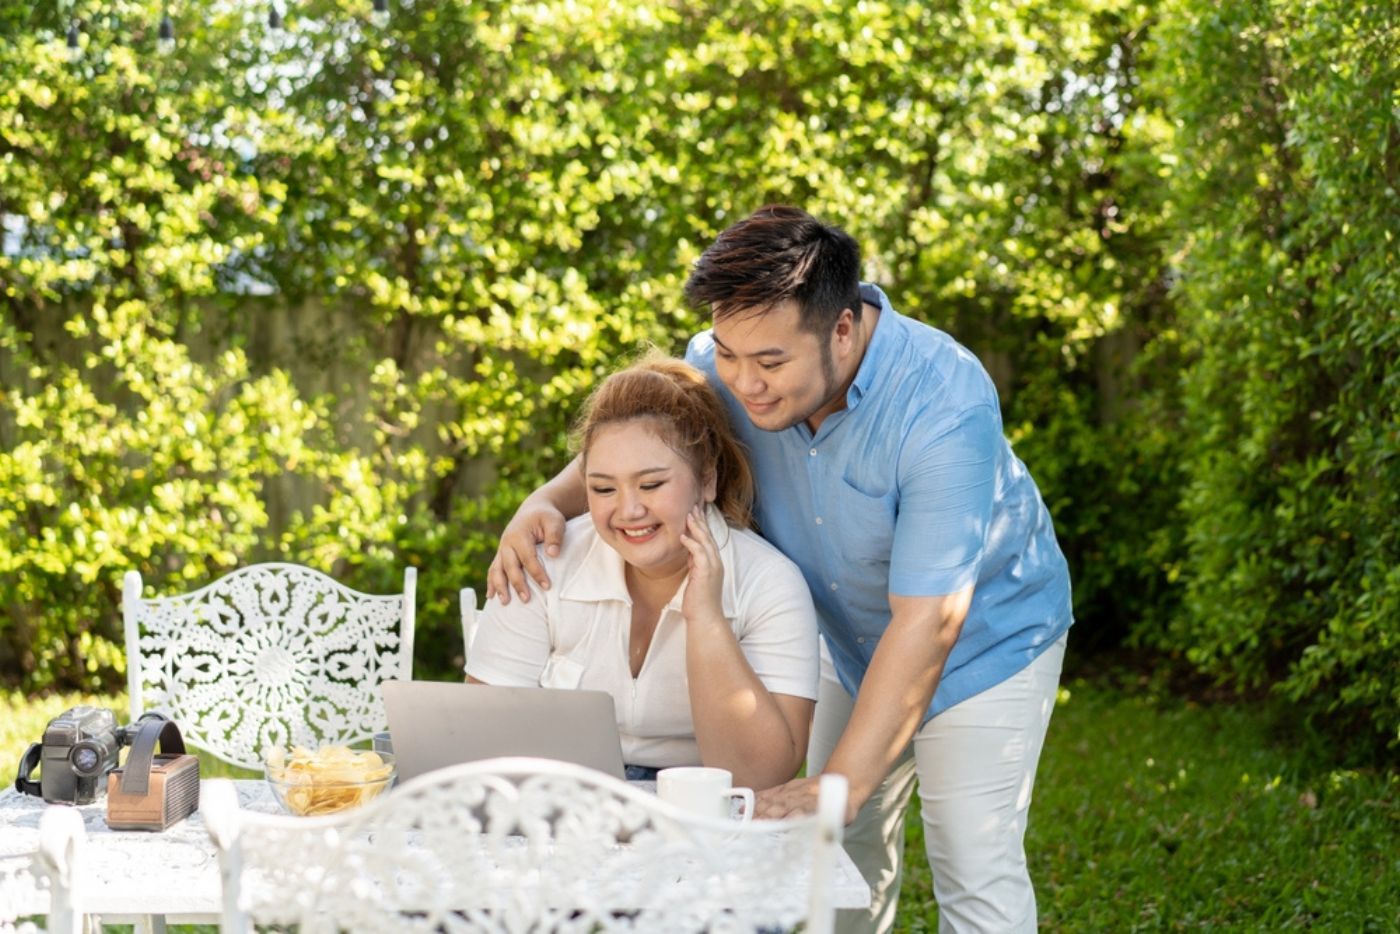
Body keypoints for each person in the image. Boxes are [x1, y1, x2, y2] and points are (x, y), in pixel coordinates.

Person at [488, 205, 1074, 933]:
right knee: (831, 857)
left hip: (985, 642)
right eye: (728, 355)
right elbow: (646, 442)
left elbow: (931, 619)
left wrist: (843, 781)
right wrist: (541, 501)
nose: (743, 381)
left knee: (970, 863)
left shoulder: (943, 401)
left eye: (769, 363)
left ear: (843, 328)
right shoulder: (724, 361)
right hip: (841, 633)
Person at [466, 353, 819, 791]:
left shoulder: (769, 584)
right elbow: (476, 740)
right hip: (560, 802)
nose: (629, 511)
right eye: (603, 488)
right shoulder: (543, 564)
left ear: (706, 479)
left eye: (651, 485)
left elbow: (758, 778)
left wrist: (706, 620)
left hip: (697, 811)